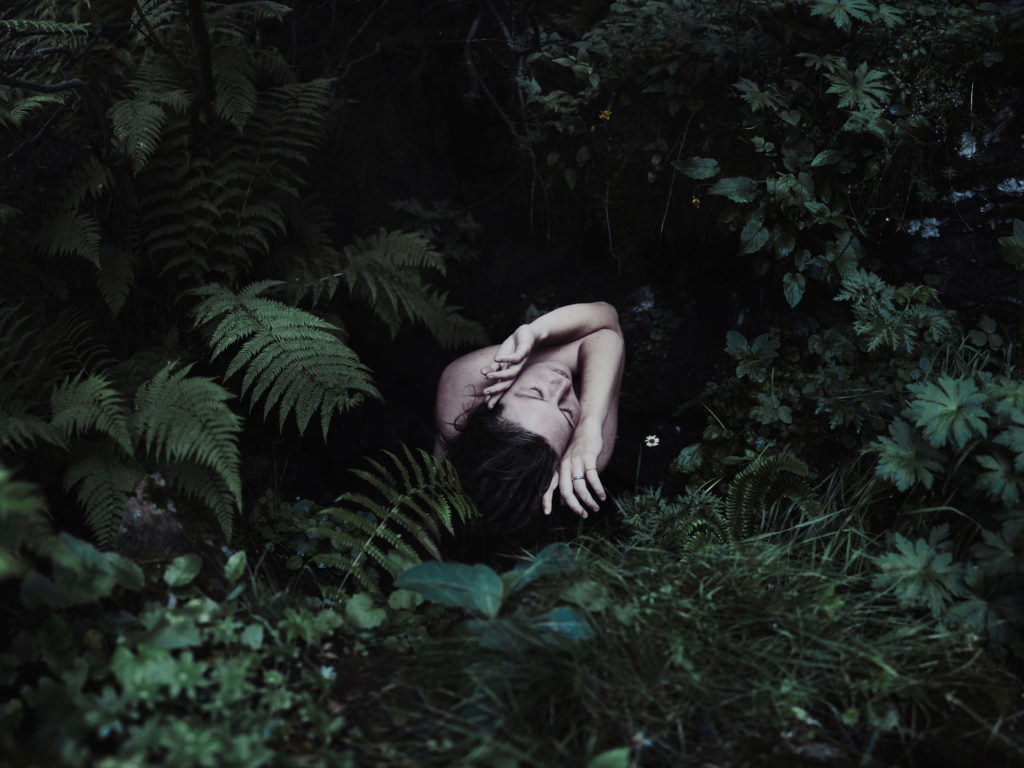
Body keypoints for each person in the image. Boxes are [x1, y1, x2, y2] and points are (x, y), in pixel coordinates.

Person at [434, 302, 624, 533]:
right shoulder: (588, 451)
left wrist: (535, 331)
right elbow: (608, 335)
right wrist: (591, 421)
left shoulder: (466, 386)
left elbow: (605, 321)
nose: (562, 384)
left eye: (536, 393)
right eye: (567, 413)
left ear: (491, 401)